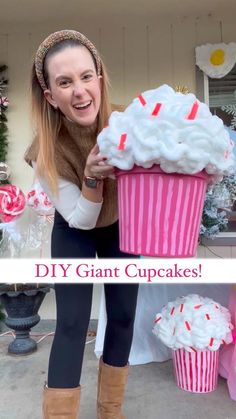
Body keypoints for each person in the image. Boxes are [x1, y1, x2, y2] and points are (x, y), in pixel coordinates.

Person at [25, 30, 139, 419]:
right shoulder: (44, 151)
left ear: (100, 78)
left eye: (87, 76)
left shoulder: (131, 123)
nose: (79, 91)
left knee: (123, 315)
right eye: (65, 82)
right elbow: (81, 219)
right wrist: (92, 177)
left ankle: (111, 411)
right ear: (50, 96)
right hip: (74, 228)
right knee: (72, 324)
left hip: (122, 226)